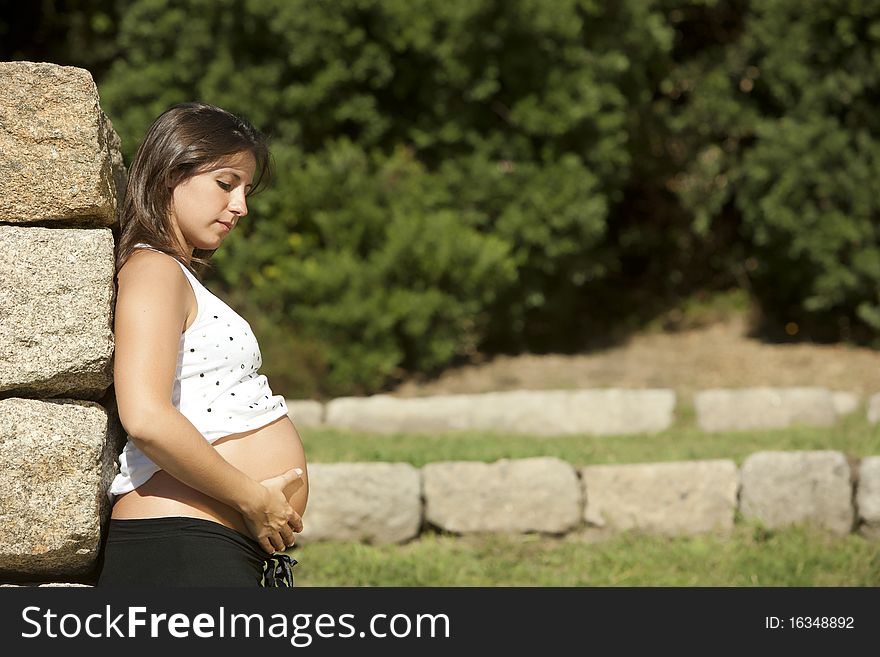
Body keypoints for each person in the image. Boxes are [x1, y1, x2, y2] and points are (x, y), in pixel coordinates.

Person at [97, 102, 309, 587]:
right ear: (173, 172)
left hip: (198, 546)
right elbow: (147, 417)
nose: (241, 206)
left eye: (245, 190)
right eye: (226, 183)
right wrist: (254, 500)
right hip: (180, 548)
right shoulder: (153, 269)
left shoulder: (172, 273)